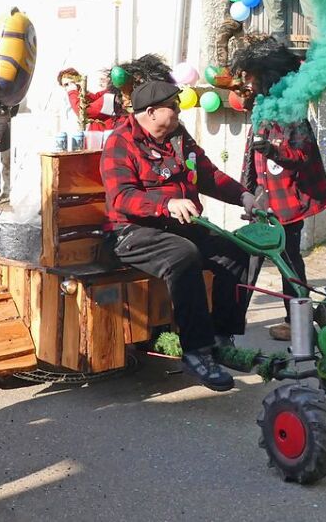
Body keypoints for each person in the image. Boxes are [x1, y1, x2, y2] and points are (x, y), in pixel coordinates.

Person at [100, 80, 256, 391]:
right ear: (151, 112)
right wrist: (166, 204)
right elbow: (121, 198)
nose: (178, 109)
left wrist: (243, 196)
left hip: (178, 226)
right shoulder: (121, 142)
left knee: (240, 248)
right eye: (172, 106)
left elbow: (207, 174)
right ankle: (196, 352)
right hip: (131, 232)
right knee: (184, 255)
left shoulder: (177, 136)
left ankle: (221, 336)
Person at [231, 36, 326, 340]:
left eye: (249, 75)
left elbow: (301, 155)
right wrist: (245, 191)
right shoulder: (264, 102)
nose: (245, 81)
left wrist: (273, 151)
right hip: (266, 198)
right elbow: (253, 153)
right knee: (251, 258)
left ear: (265, 73)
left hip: (288, 201)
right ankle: (232, 320)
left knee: (288, 261)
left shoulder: (291, 108)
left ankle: (298, 323)